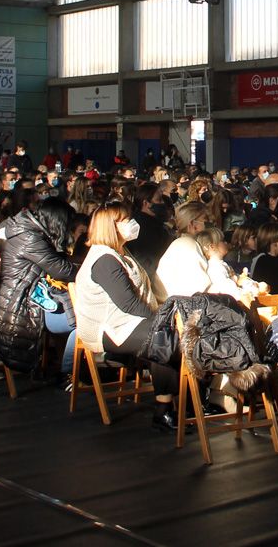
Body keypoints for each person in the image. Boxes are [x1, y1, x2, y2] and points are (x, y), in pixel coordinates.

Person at [74, 203, 180, 431]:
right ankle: (166, 408)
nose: (132, 224)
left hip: (128, 322)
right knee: (164, 338)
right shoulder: (104, 259)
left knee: (168, 335)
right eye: (124, 221)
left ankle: (175, 403)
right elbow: (129, 303)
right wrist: (160, 319)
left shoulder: (121, 253)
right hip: (108, 326)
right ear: (110, 227)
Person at [0, 198, 78, 372]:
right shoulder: (30, 237)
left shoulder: (26, 230)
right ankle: (68, 373)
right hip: (22, 306)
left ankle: (66, 366)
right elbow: (62, 270)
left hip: (20, 299)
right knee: (84, 324)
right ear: (57, 221)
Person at [155, 202, 210, 299]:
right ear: (193, 224)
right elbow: (202, 286)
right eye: (205, 221)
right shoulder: (188, 244)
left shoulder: (182, 242)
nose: (208, 225)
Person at [124, 182, 172, 277]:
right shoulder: (142, 228)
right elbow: (147, 260)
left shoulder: (152, 223)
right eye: (159, 200)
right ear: (146, 203)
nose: (163, 203)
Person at [197, 228, 243, 301]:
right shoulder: (215, 268)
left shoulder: (222, 264)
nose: (226, 243)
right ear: (212, 247)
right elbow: (229, 290)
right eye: (223, 241)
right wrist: (247, 292)